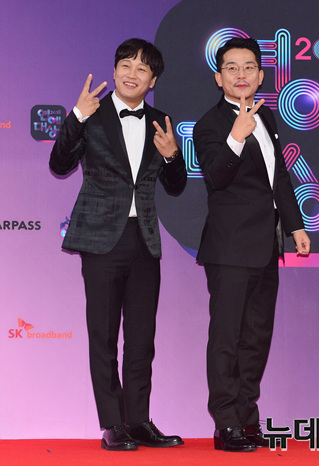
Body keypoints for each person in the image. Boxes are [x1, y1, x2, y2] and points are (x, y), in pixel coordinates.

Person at [49, 39, 187, 450]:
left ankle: (138, 420)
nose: (132, 74)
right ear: (114, 72)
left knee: (142, 339)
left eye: (142, 69)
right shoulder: (91, 115)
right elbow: (59, 163)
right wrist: (76, 116)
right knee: (104, 335)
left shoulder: (161, 121)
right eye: (126, 65)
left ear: (153, 80)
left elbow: (176, 185)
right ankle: (113, 423)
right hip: (100, 239)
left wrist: (172, 156)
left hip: (143, 240)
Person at [194, 37, 310, 453]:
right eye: (231, 67)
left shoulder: (269, 117)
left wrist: (296, 225)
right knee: (227, 337)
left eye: (248, 67)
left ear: (260, 76)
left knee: (256, 338)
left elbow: (279, 178)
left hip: (266, 246)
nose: (240, 74)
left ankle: (246, 418)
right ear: (218, 77)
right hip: (229, 249)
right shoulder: (210, 125)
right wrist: (236, 138)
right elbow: (216, 177)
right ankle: (225, 422)